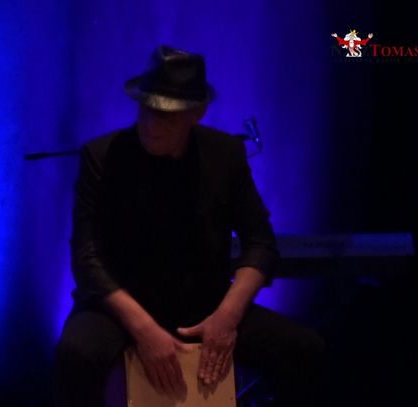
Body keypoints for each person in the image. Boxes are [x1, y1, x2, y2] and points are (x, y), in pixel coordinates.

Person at [55, 45, 326, 407]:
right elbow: (86, 259)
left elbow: (260, 244)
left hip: (204, 304)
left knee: (304, 349)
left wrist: (226, 317)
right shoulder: (102, 156)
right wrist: (145, 329)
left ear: (197, 113)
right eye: (146, 109)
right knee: (76, 354)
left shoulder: (224, 154)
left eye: (166, 115)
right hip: (121, 306)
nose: (151, 124)